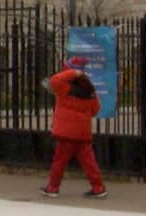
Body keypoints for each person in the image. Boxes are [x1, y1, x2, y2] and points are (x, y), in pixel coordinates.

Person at [40, 58, 107, 199]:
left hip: (66, 132)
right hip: (83, 132)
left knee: (59, 161)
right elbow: (95, 109)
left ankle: (52, 187)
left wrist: (73, 72)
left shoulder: (65, 88)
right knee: (89, 161)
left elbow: (54, 80)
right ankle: (98, 187)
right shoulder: (89, 89)